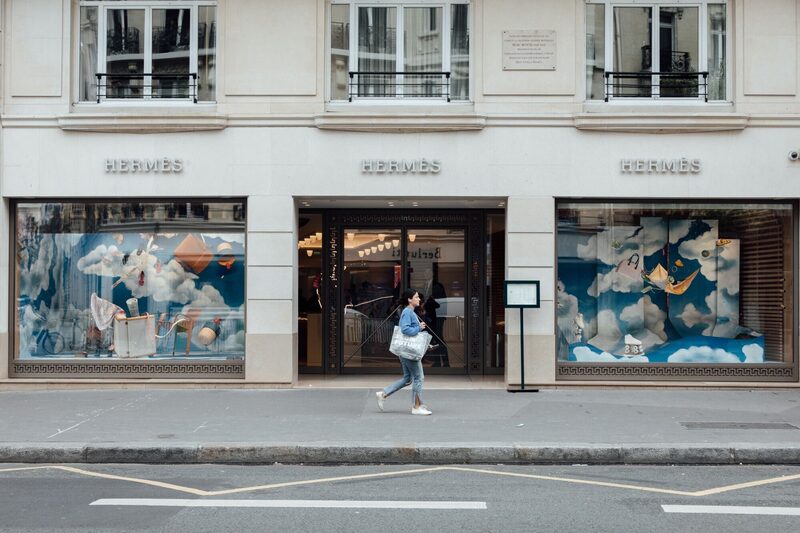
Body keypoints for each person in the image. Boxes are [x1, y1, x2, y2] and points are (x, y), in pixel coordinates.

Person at [375, 288, 432, 416]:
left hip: (405, 351)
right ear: (409, 299)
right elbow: (405, 330)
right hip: (409, 352)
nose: (419, 299)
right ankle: (417, 407)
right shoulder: (408, 312)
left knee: (408, 379)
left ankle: (384, 394)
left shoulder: (410, 312)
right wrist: (419, 327)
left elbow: (410, 332)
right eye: (416, 297)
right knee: (419, 377)